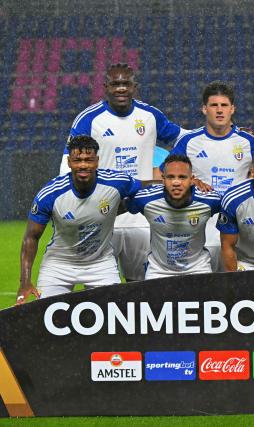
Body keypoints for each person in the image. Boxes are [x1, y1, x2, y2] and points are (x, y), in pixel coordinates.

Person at [59, 63, 186, 282]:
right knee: (98, 285)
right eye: (115, 84)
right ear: (105, 87)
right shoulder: (89, 119)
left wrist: (165, 170)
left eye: (125, 84)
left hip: (142, 218)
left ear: (134, 86)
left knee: (141, 286)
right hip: (102, 215)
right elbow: (66, 166)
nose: (120, 89)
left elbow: (186, 139)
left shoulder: (149, 115)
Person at [17, 135, 141, 303]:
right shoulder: (51, 194)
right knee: (46, 318)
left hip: (100, 262)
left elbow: (144, 193)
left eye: (89, 160)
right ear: (69, 162)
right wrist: (25, 282)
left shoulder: (117, 182)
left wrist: (124, 208)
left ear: (97, 161)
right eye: (78, 160)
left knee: (114, 316)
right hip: (59, 264)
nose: (83, 165)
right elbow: (31, 237)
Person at [169, 81, 254, 271]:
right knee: (203, 279)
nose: (219, 110)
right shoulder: (188, 141)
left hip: (239, 220)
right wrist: (190, 180)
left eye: (224, 105)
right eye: (214, 105)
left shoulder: (247, 141)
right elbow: (167, 173)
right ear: (204, 109)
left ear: (232, 109)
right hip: (201, 219)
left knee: (236, 280)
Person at [126, 154, 221, 279]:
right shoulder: (145, 199)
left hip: (198, 267)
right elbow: (121, 206)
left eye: (182, 177)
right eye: (170, 177)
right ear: (163, 179)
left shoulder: (210, 200)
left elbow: (233, 208)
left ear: (192, 180)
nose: (176, 182)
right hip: (158, 270)